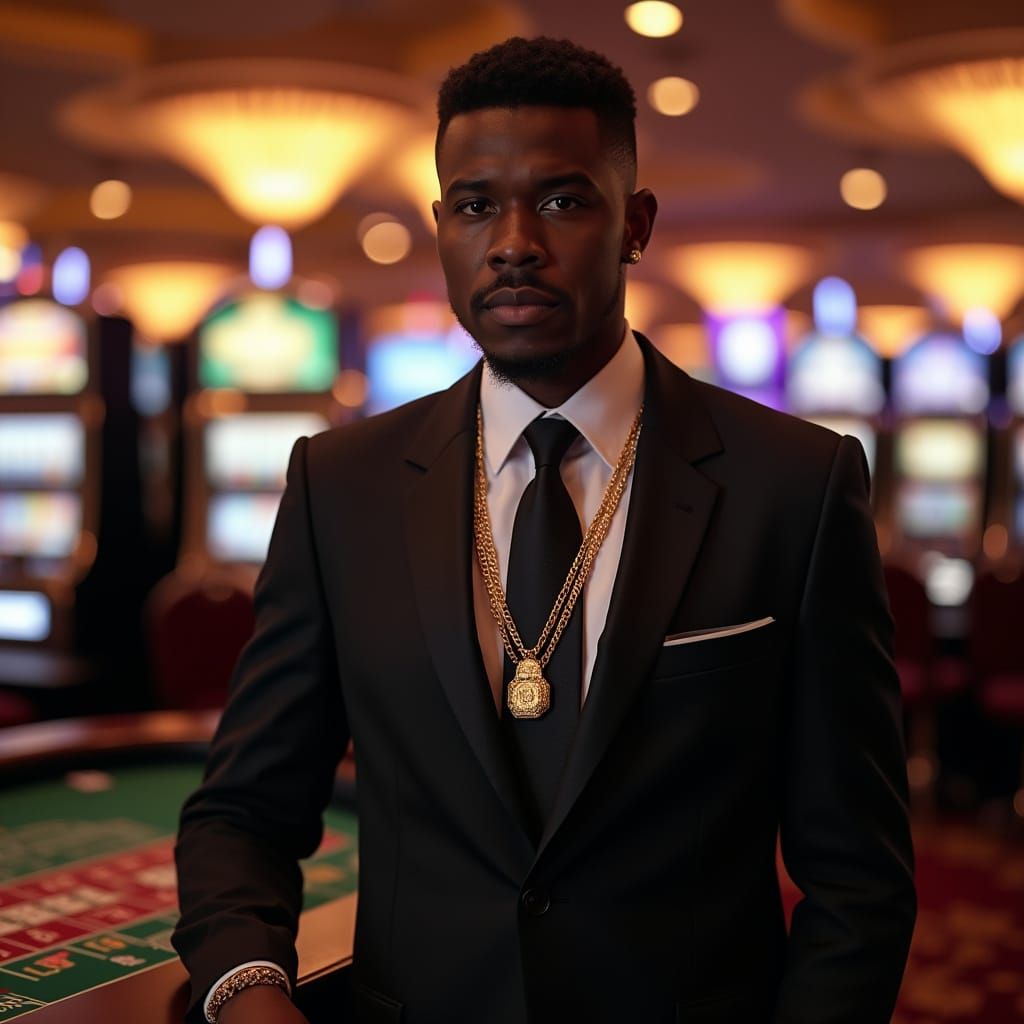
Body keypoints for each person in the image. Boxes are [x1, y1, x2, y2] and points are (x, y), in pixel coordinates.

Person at [173, 36, 916, 1024]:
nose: (513, 240)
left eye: (562, 200)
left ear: (634, 224)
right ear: (440, 227)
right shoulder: (339, 485)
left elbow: (858, 874)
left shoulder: (795, 484)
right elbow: (243, 812)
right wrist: (244, 989)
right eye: (475, 205)